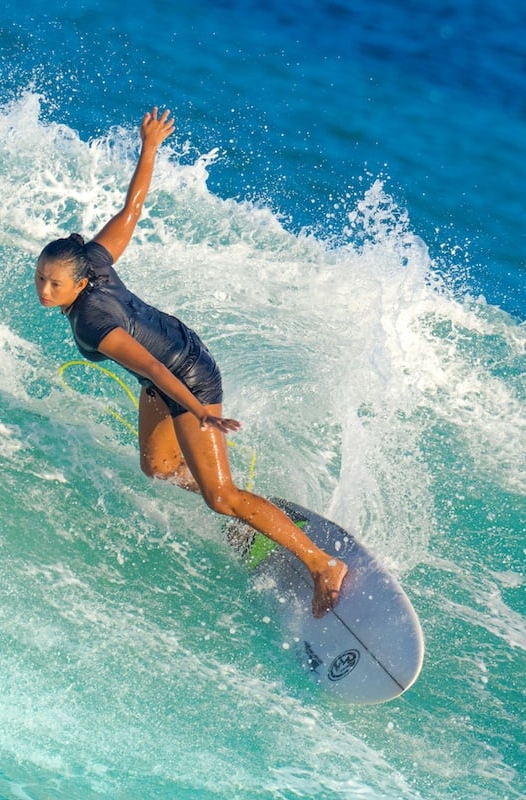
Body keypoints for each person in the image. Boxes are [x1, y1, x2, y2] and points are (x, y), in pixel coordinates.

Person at [34, 108, 347, 617]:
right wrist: (149, 146)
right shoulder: (93, 260)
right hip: (172, 357)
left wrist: (201, 414)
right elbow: (132, 210)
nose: (45, 291)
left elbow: (159, 373)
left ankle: (320, 564)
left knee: (217, 497)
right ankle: (243, 503)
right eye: (40, 279)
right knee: (157, 468)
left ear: (81, 281)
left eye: (54, 283)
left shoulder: (93, 323)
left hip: (185, 375)